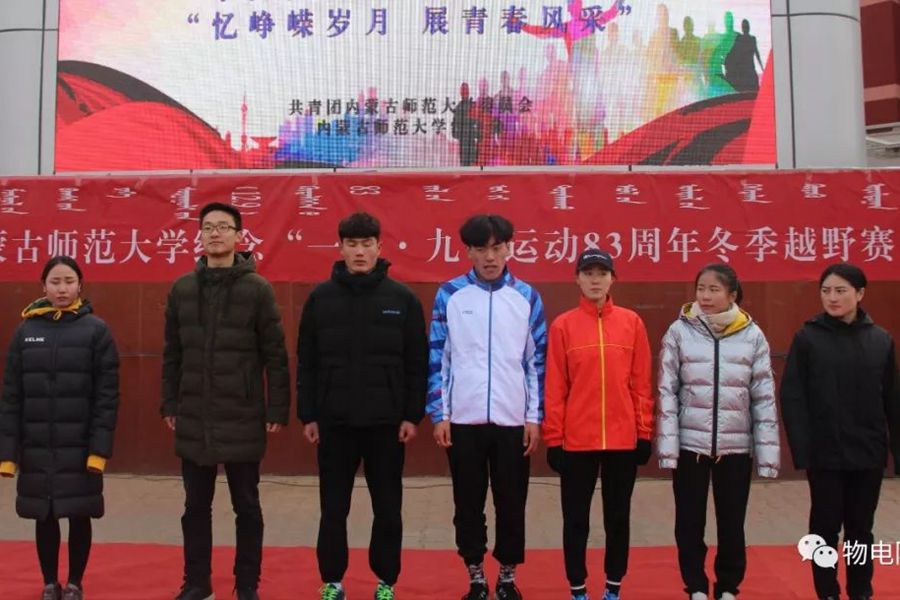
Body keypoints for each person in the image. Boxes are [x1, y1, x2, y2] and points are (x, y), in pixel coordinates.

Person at [161, 202, 290, 600]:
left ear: (239, 236)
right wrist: (169, 402)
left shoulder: (257, 289)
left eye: (223, 227)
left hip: (242, 414)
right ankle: (197, 582)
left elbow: (275, 354)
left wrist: (277, 408)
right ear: (200, 236)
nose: (214, 233)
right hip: (194, 414)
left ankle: (247, 584)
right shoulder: (182, 289)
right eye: (208, 227)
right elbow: (172, 353)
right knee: (195, 507)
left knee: (246, 505)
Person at [297, 212, 428, 600]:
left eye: (366, 244)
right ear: (340, 248)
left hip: (386, 424)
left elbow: (416, 363)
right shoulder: (320, 298)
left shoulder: (402, 299)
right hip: (334, 422)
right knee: (333, 507)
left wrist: (412, 415)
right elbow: (307, 361)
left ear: (378, 248)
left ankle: (386, 581)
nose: (359, 252)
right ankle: (333, 581)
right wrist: (309, 414)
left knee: (387, 507)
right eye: (351, 244)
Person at [427, 214, 547, 600]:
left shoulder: (527, 297)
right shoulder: (450, 295)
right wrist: (440, 414)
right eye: (481, 249)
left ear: (510, 248)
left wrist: (533, 417)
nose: (490, 257)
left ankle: (507, 577)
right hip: (463, 420)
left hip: (513, 421)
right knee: (468, 502)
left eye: (497, 248)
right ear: (469, 252)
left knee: (511, 502)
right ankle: (476, 576)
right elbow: (438, 358)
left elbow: (536, 363)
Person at [656, 263, 780, 600]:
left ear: (732, 294)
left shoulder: (752, 335)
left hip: (735, 447)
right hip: (690, 445)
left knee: (732, 521)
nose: (706, 296)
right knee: (689, 521)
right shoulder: (679, 332)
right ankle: (695, 585)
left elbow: (763, 396)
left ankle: (728, 586)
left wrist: (767, 455)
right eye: (701, 288)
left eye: (714, 289)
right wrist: (668, 447)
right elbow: (666, 391)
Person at [0, 256, 120, 600]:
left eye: (69, 281)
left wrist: (99, 450)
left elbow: (107, 397)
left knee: (79, 514)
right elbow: (11, 396)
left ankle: (75, 583)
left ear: (80, 285)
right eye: (55, 282)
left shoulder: (96, 331)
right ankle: (50, 583)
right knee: (45, 514)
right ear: (44, 287)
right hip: (37, 444)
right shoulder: (26, 332)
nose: (62, 289)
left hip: (79, 446)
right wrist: (8, 454)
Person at [781, 263, 900, 600]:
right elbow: (792, 396)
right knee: (824, 529)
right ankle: (827, 591)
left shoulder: (880, 340)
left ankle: (860, 591)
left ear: (859, 294)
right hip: (825, 454)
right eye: (826, 291)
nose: (832, 298)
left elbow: (893, 400)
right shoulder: (808, 338)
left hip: (868, 452)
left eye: (840, 291)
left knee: (861, 530)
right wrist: (803, 449)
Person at [543, 249, 654, 600]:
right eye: (588, 273)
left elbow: (641, 383)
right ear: (577, 279)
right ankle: (577, 587)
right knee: (576, 519)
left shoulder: (632, 323)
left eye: (602, 273)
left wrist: (644, 432)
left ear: (612, 279)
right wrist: (554, 439)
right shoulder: (563, 326)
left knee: (617, 518)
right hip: (577, 442)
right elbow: (555, 388)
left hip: (622, 442)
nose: (595, 280)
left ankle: (613, 586)